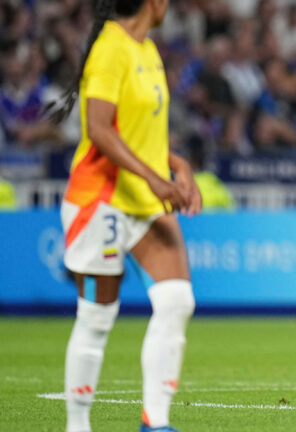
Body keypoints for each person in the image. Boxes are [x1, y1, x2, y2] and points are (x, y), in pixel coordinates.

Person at [46, 1, 201, 431]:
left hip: (143, 198)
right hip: (101, 200)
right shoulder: (110, 49)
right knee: (97, 318)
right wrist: (154, 177)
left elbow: (138, 130)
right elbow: (98, 129)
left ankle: (156, 422)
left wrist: (177, 164)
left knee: (176, 301)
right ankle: (77, 426)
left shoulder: (147, 49)